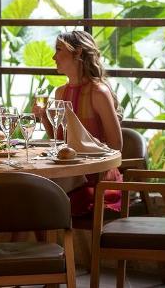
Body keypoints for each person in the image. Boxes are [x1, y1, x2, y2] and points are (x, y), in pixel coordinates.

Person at [33, 30, 123, 217]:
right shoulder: (59, 92)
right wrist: (43, 117)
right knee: (32, 194)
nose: (53, 57)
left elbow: (116, 145)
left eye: (59, 50)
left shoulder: (98, 92)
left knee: (44, 200)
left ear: (78, 52)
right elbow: (61, 141)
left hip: (96, 180)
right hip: (68, 175)